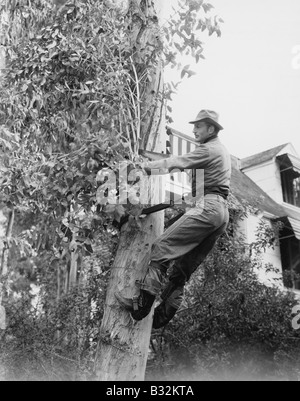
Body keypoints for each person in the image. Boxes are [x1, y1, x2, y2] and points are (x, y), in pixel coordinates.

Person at [116, 110, 231, 329]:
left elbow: (176, 162)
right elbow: (198, 194)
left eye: (198, 126)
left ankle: (140, 306)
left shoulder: (209, 149)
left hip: (208, 207)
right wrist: (158, 208)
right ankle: (162, 315)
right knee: (183, 269)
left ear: (211, 129)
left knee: (162, 246)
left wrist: (142, 168)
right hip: (219, 212)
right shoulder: (220, 152)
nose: (194, 130)